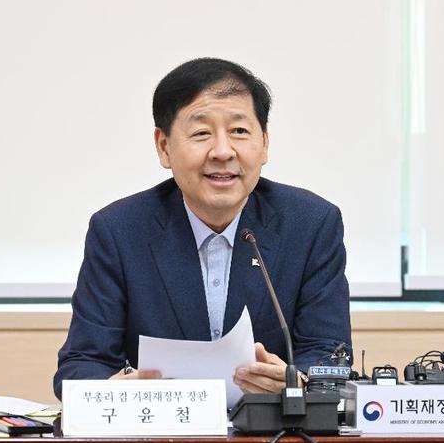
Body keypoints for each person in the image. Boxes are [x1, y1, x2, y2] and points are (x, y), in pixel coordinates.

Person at [54, 57, 351, 400]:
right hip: (161, 429)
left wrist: (295, 383)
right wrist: (114, 392)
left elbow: (330, 356)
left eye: (239, 131)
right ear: (164, 146)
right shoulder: (119, 231)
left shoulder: (311, 224)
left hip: (272, 430)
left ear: (265, 143)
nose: (223, 152)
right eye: (201, 133)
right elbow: (82, 365)